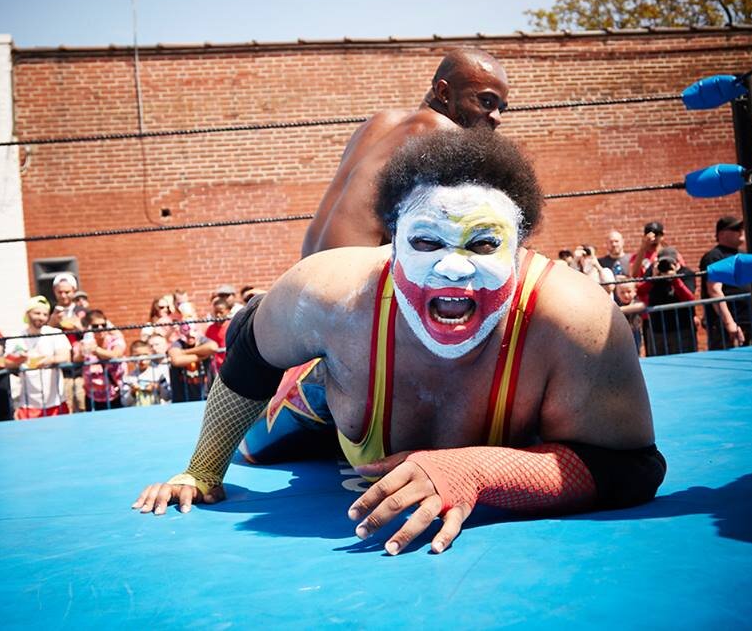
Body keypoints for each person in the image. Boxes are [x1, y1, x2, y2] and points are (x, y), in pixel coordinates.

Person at [133, 128, 665, 555]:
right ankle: (315, 383)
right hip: (331, 402)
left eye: (483, 243)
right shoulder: (332, 294)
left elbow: (634, 466)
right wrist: (203, 470)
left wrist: (481, 470)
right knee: (257, 451)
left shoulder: (577, 318)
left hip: (479, 413)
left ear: (521, 247)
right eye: (427, 241)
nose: (453, 269)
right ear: (392, 245)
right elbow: (249, 344)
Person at [301, 48, 509, 257]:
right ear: (444, 93)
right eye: (486, 102)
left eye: (502, 108)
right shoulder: (442, 132)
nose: (496, 117)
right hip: (350, 278)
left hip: (303, 271)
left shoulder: (377, 123)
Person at [5, 296, 71, 419]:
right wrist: (20, 359)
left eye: (45, 314)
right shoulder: (16, 337)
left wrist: (49, 360)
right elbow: (7, 362)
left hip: (55, 402)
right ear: (27, 313)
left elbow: (65, 356)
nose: (41, 317)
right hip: (28, 404)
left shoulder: (55, 333)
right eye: (37, 313)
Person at [699, 216, 750, 349]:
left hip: (749, 320)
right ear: (721, 234)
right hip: (726, 325)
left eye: (741, 228)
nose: (741, 231)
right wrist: (729, 323)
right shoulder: (714, 256)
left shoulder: (743, 255)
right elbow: (714, 290)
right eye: (735, 229)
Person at [638, 251, 698, 356]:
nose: (665, 266)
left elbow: (689, 299)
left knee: (685, 360)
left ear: (677, 263)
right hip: (657, 329)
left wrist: (675, 279)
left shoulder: (686, 273)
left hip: (682, 328)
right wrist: (653, 278)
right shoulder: (653, 272)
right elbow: (640, 292)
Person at [47, 272, 86, 412]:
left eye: (67, 292)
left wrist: (79, 326)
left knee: (82, 403)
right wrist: (52, 321)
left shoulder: (81, 311)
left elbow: (90, 334)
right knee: (66, 404)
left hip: (80, 366)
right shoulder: (50, 311)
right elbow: (44, 333)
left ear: (74, 291)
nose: (63, 296)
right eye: (60, 292)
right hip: (60, 368)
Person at [75, 309, 126, 411]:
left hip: (114, 394)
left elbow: (116, 354)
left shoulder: (115, 340)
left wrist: (96, 350)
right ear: (88, 327)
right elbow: (75, 360)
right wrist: (82, 352)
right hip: (92, 398)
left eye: (103, 325)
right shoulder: (83, 343)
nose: (100, 328)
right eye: (95, 326)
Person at [167, 315, 219, 403]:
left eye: (192, 335)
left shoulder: (202, 340)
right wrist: (202, 356)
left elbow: (213, 347)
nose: (190, 337)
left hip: (205, 393)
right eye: (187, 335)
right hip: (183, 395)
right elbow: (175, 360)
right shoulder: (178, 343)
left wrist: (184, 353)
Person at [121, 340, 170, 407]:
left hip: (157, 411)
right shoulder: (128, 378)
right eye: (137, 356)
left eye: (145, 355)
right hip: (138, 413)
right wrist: (132, 392)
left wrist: (158, 388)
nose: (142, 359)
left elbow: (168, 396)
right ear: (131, 357)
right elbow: (124, 402)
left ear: (150, 354)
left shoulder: (159, 373)